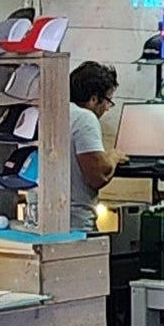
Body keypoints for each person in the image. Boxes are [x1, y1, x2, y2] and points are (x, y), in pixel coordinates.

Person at [69, 61, 123, 231]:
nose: (107, 108)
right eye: (108, 101)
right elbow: (98, 177)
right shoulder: (84, 118)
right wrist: (113, 158)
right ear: (94, 98)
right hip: (76, 222)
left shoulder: (54, 111)